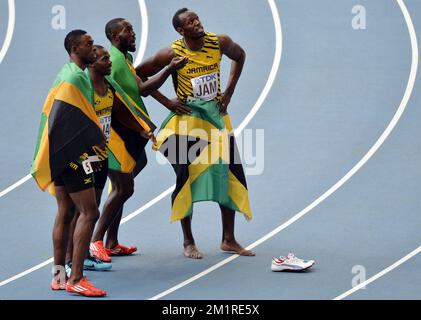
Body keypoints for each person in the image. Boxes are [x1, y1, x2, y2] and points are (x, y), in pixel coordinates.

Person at [136, 8, 255, 259]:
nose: (197, 23)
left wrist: (229, 92)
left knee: (229, 173)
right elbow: (138, 75)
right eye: (190, 22)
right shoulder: (172, 53)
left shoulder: (218, 41)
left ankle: (228, 239)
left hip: (216, 119)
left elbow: (240, 55)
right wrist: (167, 102)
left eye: (197, 18)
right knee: (185, 176)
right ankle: (188, 241)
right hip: (186, 123)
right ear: (181, 30)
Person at [89, 19, 188, 262]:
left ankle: (111, 241)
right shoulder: (115, 61)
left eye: (133, 29)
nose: (134, 34)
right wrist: (169, 69)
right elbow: (143, 89)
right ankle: (95, 241)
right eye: (128, 31)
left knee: (124, 183)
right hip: (119, 134)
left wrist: (167, 103)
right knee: (124, 187)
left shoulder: (124, 59)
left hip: (134, 132)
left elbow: (138, 86)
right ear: (114, 35)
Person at [31, 30, 107, 297]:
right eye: (88, 45)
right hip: (74, 155)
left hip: (60, 154)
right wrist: (94, 142)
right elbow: (76, 118)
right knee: (89, 213)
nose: (94, 50)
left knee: (66, 212)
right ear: (75, 48)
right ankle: (76, 277)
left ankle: (59, 276)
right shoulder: (74, 77)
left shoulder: (68, 73)